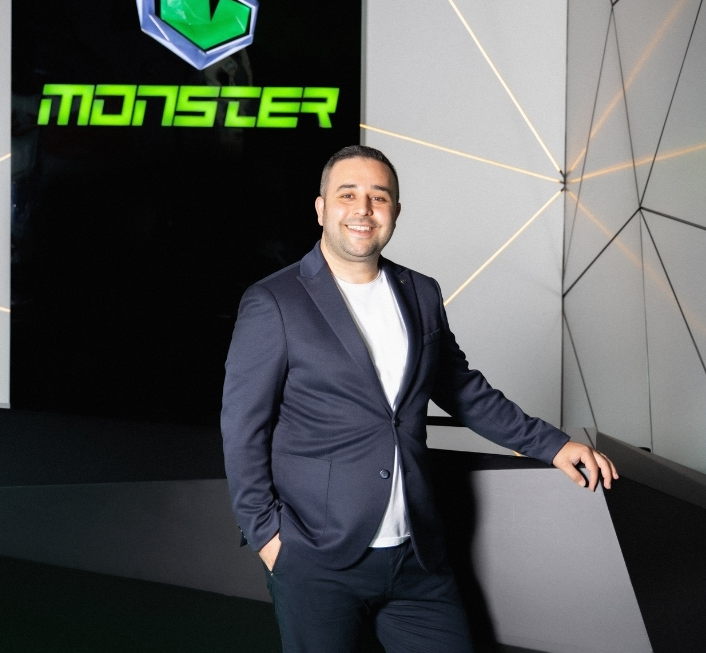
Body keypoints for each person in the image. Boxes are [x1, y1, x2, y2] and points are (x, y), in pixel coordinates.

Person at [220, 145, 618, 653]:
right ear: (321, 208)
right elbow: (242, 427)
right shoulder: (274, 301)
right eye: (348, 195)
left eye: (378, 197)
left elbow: (462, 390)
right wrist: (267, 537)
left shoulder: (421, 292)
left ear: (395, 211)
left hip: (417, 557)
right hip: (315, 558)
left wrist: (554, 445)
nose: (364, 209)